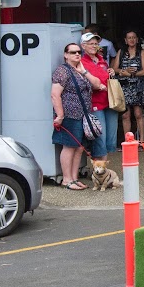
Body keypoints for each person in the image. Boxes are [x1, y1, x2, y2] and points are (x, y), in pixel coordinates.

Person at [51, 43, 100, 190]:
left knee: (79, 148)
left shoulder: (80, 70)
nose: (77, 55)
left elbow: (97, 84)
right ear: (66, 55)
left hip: (83, 114)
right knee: (70, 146)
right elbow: (55, 94)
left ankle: (74, 178)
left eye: (79, 52)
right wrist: (60, 115)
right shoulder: (62, 71)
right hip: (70, 114)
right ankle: (67, 179)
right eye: (73, 52)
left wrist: (84, 72)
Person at [79, 31, 114, 160]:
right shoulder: (81, 62)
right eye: (90, 44)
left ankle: (103, 169)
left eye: (96, 43)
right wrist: (97, 85)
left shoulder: (102, 61)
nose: (94, 46)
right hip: (94, 104)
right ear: (83, 46)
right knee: (100, 137)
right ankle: (100, 172)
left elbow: (105, 77)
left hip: (109, 102)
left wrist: (111, 72)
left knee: (110, 139)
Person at [111, 30, 144, 143]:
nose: (131, 40)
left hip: (138, 86)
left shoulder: (142, 52)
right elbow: (114, 69)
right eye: (129, 38)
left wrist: (131, 74)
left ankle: (142, 140)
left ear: (137, 39)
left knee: (138, 114)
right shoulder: (121, 52)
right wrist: (124, 71)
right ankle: (128, 141)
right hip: (124, 87)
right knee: (125, 115)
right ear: (125, 40)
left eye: (133, 37)